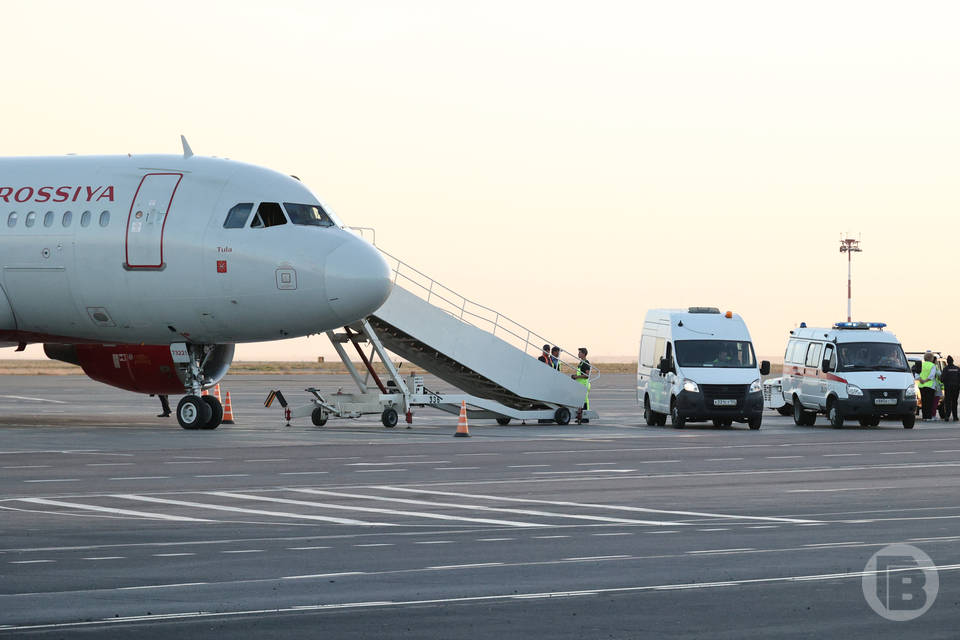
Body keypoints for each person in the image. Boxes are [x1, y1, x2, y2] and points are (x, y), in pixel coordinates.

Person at [572, 347, 591, 423]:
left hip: (584, 384)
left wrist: (577, 377)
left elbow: (587, 375)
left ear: (583, 354)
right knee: (581, 400)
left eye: (580, 352)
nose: (578, 354)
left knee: (585, 401)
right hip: (580, 384)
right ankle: (581, 416)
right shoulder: (581, 363)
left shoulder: (586, 363)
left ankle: (586, 417)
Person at [919, 352, 938, 421]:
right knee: (929, 402)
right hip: (930, 386)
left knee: (923, 402)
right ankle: (928, 417)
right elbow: (932, 376)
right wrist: (925, 380)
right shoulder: (932, 365)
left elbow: (917, 374)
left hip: (921, 386)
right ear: (931, 358)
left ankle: (924, 417)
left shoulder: (921, 364)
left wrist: (921, 380)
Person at [942, 356, 960, 422]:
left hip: (948, 388)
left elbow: (942, 379)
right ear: (953, 361)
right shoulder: (957, 369)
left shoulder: (946, 369)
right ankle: (955, 417)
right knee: (955, 402)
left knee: (948, 402)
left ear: (947, 361)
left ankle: (947, 416)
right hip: (956, 388)